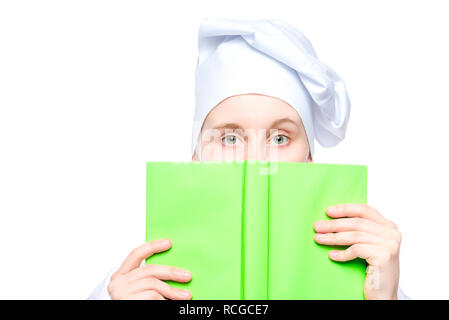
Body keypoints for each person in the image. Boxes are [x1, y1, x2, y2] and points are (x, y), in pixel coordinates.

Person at [88, 18, 410, 300]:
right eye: (230, 138)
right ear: (196, 158)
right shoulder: (134, 285)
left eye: (280, 138)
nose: (256, 160)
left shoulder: (370, 280)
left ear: (310, 159)